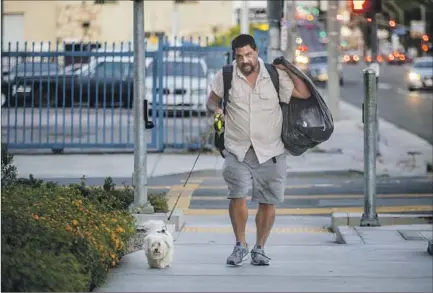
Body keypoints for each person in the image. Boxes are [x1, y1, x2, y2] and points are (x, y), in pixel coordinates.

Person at [206, 34, 311, 266]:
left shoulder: (274, 75)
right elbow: (211, 100)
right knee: (238, 195)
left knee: (267, 201)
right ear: (234, 56)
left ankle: (260, 248)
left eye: (249, 54)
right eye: (240, 56)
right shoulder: (225, 75)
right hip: (237, 149)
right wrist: (216, 110)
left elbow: (304, 93)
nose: (245, 60)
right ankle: (240, 245)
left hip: (271, 151)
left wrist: (289, 68)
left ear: (256, 52)